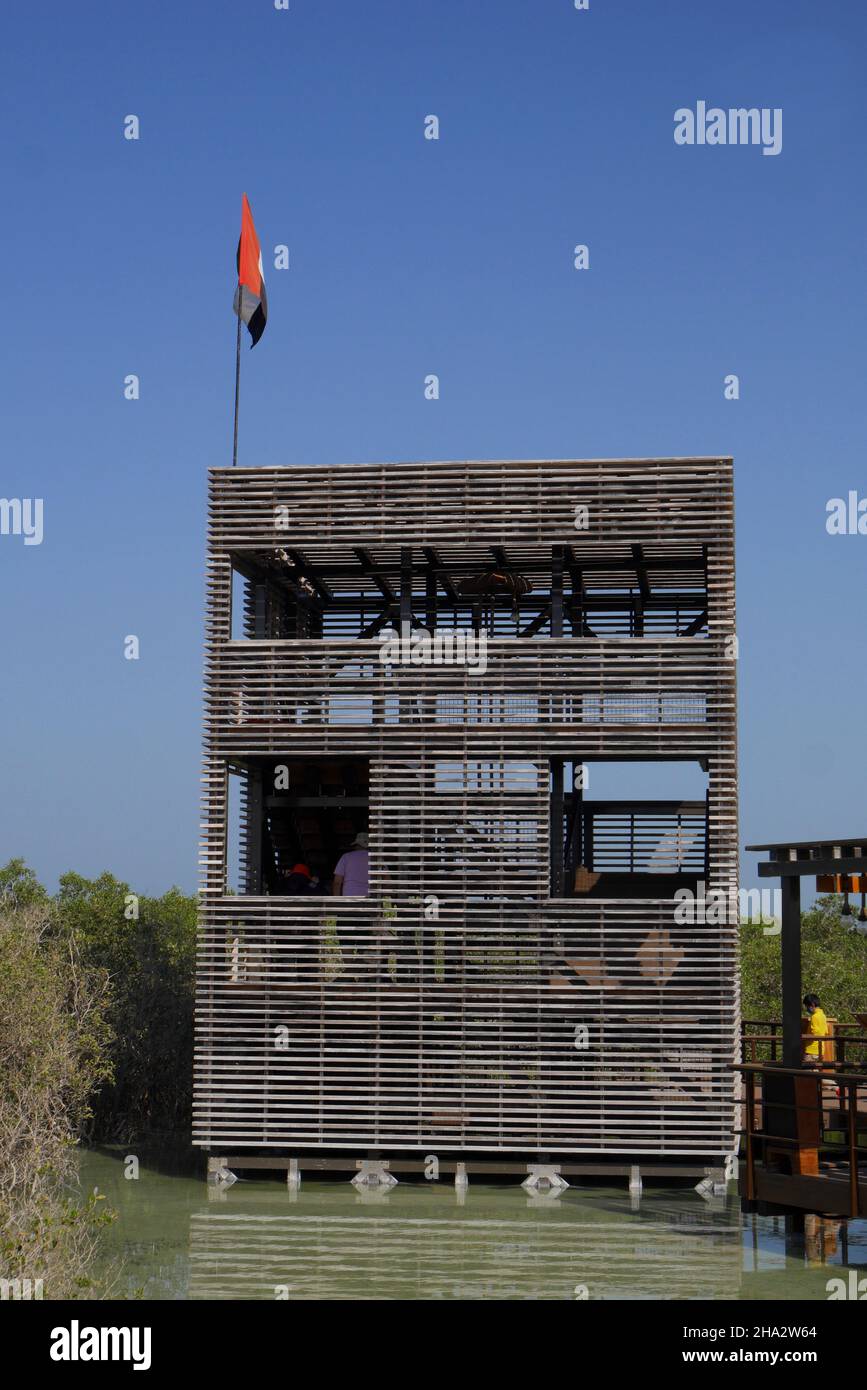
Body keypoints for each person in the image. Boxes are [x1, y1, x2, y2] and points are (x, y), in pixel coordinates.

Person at [803, 993, 830, 1065]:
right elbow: (826, 1032)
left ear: (812, 1005)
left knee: (807, 1074)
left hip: (812, 1051)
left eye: (807, 1006)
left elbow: (815, 1033)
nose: (806, 1009)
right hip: (820, 1050)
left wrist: (803, 1036)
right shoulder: (823, 1016)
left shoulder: (814, 1017)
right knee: (816, 1073)